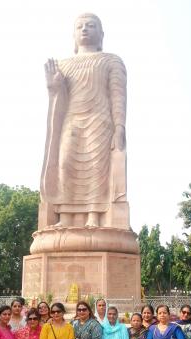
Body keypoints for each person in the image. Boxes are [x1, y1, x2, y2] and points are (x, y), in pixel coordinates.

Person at [41, 13, 128, 228]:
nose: (85, 29)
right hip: (71, 122)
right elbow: (59, 101)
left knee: (97, 169)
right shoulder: (64, 65)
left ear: (101, 34)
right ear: (73, 34)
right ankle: (67, 217)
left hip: (99, 121)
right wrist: (54, 87)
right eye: (80, 26)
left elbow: (118, 95)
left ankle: (94, 215)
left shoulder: (111, 61)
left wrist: (120, 126)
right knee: (66, 166)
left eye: (91, 25)